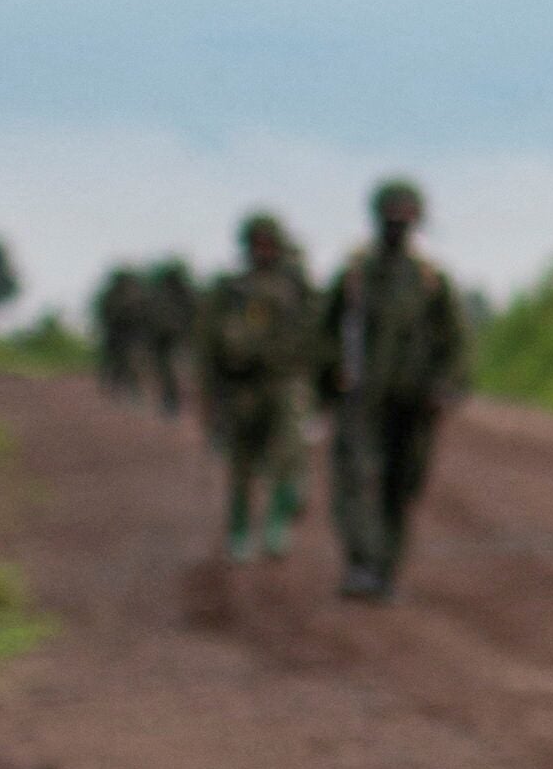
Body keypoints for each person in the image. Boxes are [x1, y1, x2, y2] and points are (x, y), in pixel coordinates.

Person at [321, 179, 471, 602]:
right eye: (392, 218)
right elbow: (325, 333)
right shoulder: (354, 276)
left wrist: (446, 386)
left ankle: (384, 570)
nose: (398, 227)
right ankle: (362, 564)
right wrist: (328, 381)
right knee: (354, 480)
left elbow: (456, 341)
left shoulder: (430, 281)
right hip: (359, 399)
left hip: (412, 403)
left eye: (406, 218)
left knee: (400, 488)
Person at [192, 214, 325, 563]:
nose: (262, 250)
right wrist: (210, 395)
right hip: (241, 387)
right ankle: (239, 530)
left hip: (284, 383)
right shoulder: (231, 289)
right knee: (241, 465)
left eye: (268, 243)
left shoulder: (298, 287)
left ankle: (275, 525)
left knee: (287, 457)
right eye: (256, 243)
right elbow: (208, 346)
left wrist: (319, 384)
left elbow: (319, 336)